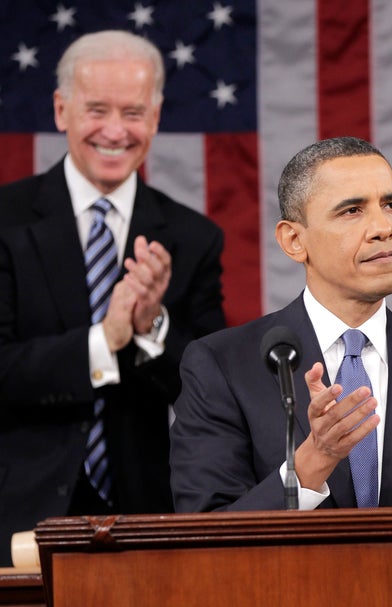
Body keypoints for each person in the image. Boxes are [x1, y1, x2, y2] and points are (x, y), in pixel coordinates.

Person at [170, 136, 392, 514]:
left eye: (391, 205)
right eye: (352, 211)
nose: (384, 228)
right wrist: (315, 460)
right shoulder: (222, 365)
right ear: (294, 240)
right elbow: (207, 536)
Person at [0, 30, 226, 566]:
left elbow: (213, 394)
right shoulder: (5, 221)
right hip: (14, 513)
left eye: (133, 112)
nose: (115, 131)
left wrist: (152, 326)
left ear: (155, 116)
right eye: (96, 110)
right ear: (61, 111)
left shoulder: (192, 237)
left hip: (145, 520)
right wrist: (105, 341)